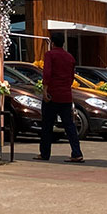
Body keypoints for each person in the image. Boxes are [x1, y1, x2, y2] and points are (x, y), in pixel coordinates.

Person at [38, 32, 84, 163]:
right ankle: (77, 153)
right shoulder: (70, 57)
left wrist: (45, 90)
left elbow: (47, 73)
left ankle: (45, 153)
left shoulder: (50, 55)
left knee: (47, 125)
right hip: (66, 96)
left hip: (52, 94)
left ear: (52, 43)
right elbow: (71, 77)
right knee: (69, 125)